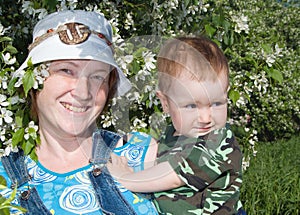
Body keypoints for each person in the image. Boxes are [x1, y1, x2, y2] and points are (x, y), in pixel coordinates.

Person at [0, 10, 159, 215]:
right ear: (34, 82)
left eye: (97, 76)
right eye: (66, 70)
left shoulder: (140, 154)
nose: (83, 93)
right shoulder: (3, 178)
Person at [107, 36, 245, 214]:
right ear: (165, 103)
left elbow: (172, 176)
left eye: (216, 103)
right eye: (191, 106)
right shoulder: (176, 133)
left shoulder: (217, 141)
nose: (205, 117)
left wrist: (126, 177)